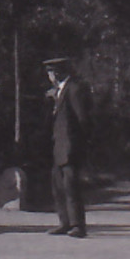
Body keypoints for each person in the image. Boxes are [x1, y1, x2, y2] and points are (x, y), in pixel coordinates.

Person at [44, 56, 90, 238]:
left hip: (71, 146)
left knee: (71, 187)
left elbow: (83, 119)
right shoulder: (57, 92)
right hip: (58, 145)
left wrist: (80, 143)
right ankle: (64, 223)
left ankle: (78, 225)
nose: (49, 76)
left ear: (56, 73)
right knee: (58, 187)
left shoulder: (74, 89)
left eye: (50, 72)